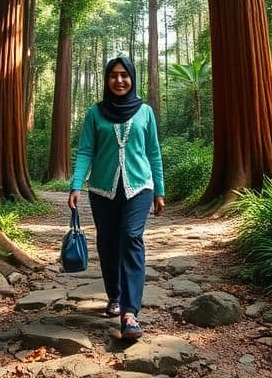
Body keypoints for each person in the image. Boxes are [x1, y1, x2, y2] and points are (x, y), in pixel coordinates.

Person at [68, 55, 165, 340]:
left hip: (139, 188)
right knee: (108, 242)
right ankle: (115, 295)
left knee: (131, 237)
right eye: (114, 75)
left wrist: (159, 190)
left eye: (125, 75)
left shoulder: (145, 112)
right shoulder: (94, 113)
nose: (119, 80)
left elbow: (154, 153)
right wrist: (75, 185)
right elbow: (86, 151)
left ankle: (130, 313)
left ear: (132, 78)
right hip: (102, 189)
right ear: (107, 79)